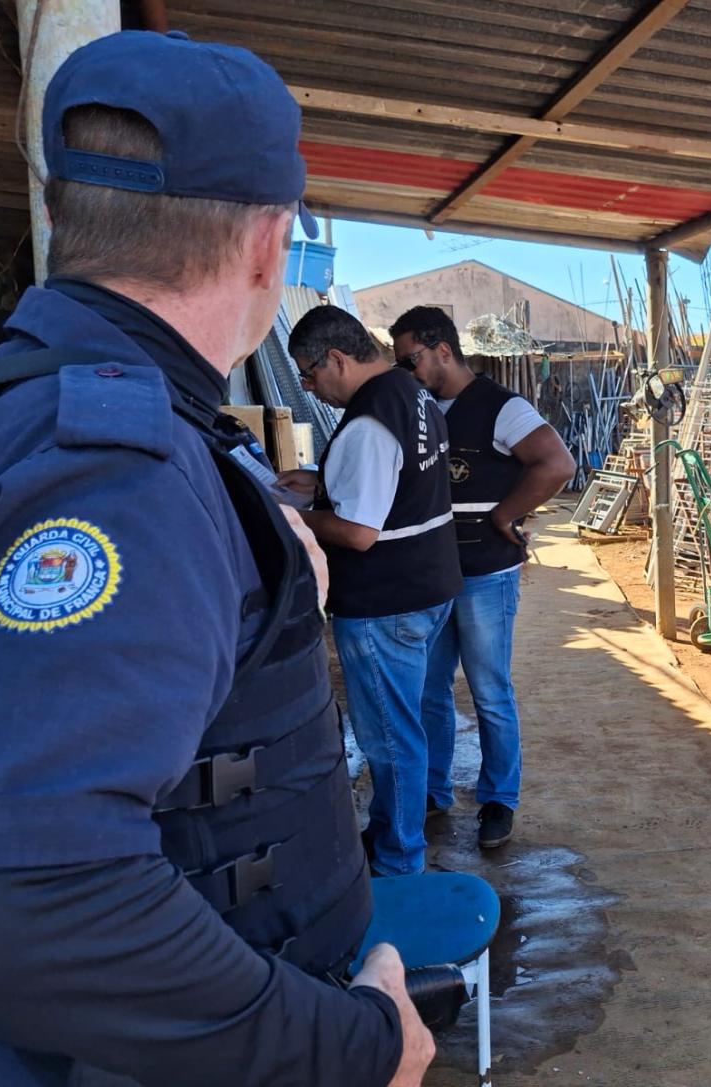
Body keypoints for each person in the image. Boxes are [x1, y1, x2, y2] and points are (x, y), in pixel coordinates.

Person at [0, 31, 432, 1087]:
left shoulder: (42, 412)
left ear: (65, 217)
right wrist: (350, 1047)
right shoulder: (114, 459)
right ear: (268, 244)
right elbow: (26, 903)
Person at [282, 305, 463, 876]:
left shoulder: (366, 421)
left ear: (337, 358)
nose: (310, 386)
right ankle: (399, 827)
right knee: (409, 719)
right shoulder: (410, 394)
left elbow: (360, 532)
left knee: (389, 735)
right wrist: (321, 483)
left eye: (310, 374)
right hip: (429, 585)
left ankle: (398, 860)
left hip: (387, 598)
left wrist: (288, 516)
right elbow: (397, 481)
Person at [389, 307, 575, 849]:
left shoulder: (501, 407)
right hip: (430, 575)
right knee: (429, 690)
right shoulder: (416, 406)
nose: (406, 370)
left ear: (442, 349)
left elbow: (556, 464)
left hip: (484, 574)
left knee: (489, 689)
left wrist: (504, 515)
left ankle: (499, 798)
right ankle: (433, 789)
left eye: (411, 359)